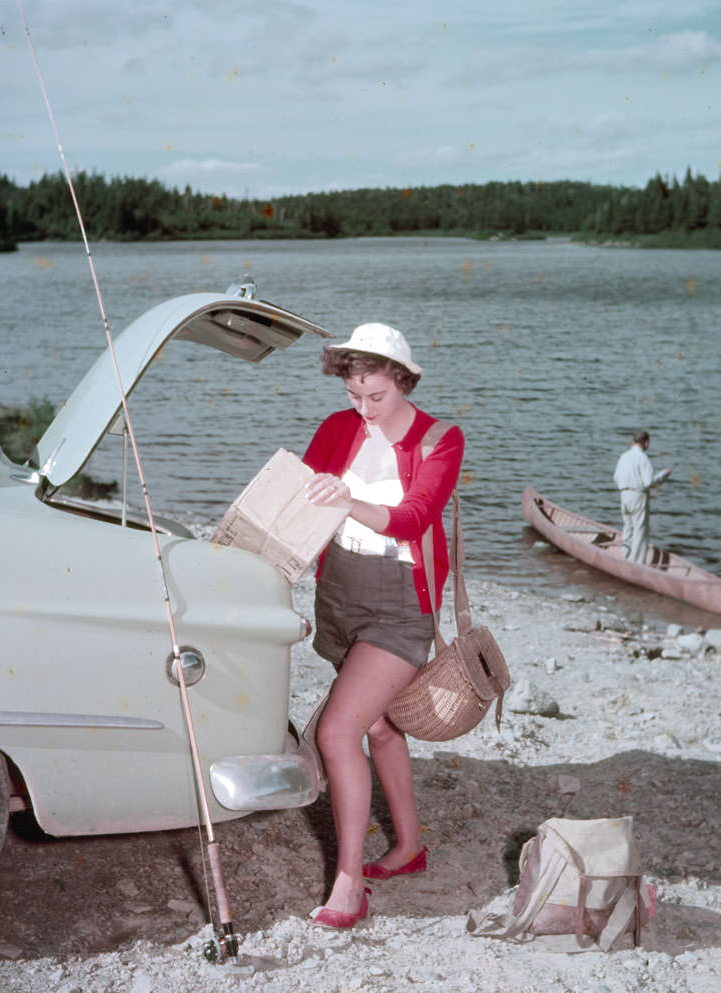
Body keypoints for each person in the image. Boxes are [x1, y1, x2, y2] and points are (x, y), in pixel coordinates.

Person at [301, 322, 464, 930]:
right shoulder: (338, 427)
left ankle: (348, 886)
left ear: (404, 379)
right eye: (354, 394)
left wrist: (344, 499)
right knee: (383, 727)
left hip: (400, 605)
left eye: (377, 396)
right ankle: (410, 849)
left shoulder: (441, 439)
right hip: (339, 591)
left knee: (339, 732)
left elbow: (413, 516)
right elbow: (297, 498)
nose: (363, 408)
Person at [612, 430, 671, 564]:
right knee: (640, 530)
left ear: (633, 441)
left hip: (624, 494)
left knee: (628, 527)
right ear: (646, 443)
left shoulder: (623, 456)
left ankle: (625, 556)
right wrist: (662, 475)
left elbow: (616, 477)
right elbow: (648, 482)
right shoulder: (643, 458)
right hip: (638, 495)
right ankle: (636, 563)